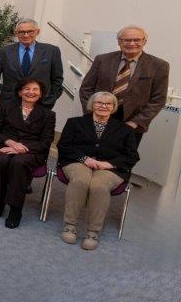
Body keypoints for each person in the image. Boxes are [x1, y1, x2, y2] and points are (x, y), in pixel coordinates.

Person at [56, 92, 139, 250]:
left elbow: (132, 156)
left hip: (110, 167)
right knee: (80, 181)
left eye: (108, 104)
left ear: (114, 107)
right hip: (77, 162)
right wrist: (85, 159)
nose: (103, 106)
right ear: (91, 105)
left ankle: (93, 232)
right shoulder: (75, 123)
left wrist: (109, 164)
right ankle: (70, 225)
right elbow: (64, 146)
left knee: (99, 187)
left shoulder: (125, 129)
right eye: (99, 103)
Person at [78, 25, 169, 147]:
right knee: (92, 154)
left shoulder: (158, 65)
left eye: (136, 40)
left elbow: (158, 99)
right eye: (126, 40)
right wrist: (92, 113)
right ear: (119, 42)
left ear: (144, 42)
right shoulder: (102, 60)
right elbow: (86, 89)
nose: (131, 43)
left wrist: (136, 122)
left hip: (131, 123)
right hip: (99, 117)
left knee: (121, 161)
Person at [0, 78, 56, 229]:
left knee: (19, 163)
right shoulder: (6, 107)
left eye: (35, 89)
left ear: (41, 94)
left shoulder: (48, 115)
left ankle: (15, 209)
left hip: (32, 150)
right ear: (19, 92)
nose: (31, 92)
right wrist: (10, 142)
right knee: (2, 160)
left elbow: (45, 142)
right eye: (27, 89)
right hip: (4, 145)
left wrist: (21, 147)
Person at [0, 19, 63, 110]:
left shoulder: (51, 51)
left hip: (41, 105)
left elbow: (57, 80)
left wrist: (49, 100)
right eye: (22, 32)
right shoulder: (5, 52)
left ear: (37, 32)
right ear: (16, 33)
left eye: (30, 31)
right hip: (9, 104)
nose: (26, 35)